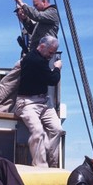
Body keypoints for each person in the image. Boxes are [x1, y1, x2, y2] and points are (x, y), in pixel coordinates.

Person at [0, 0, 59, 113]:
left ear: (44, 2)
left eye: (36, 5)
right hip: (35, 57)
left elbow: (37, 15)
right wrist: (24, 19)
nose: (35, 7)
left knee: (9, 82)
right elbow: (33, 29)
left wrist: (21, 3)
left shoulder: (52, 13)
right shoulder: (46, 18)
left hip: (36, 58)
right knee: (16, 84)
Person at [14, 35, 63, 167]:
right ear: (42, 47)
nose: (51, 56)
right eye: (50, 52)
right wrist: (57, 67)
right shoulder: (35, 60)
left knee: (57, 129)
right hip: (27, 102)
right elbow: (52, 80)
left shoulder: (40, 58)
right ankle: (40, 166)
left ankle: (53, 164)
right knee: (38, 131)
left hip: (43, 101)